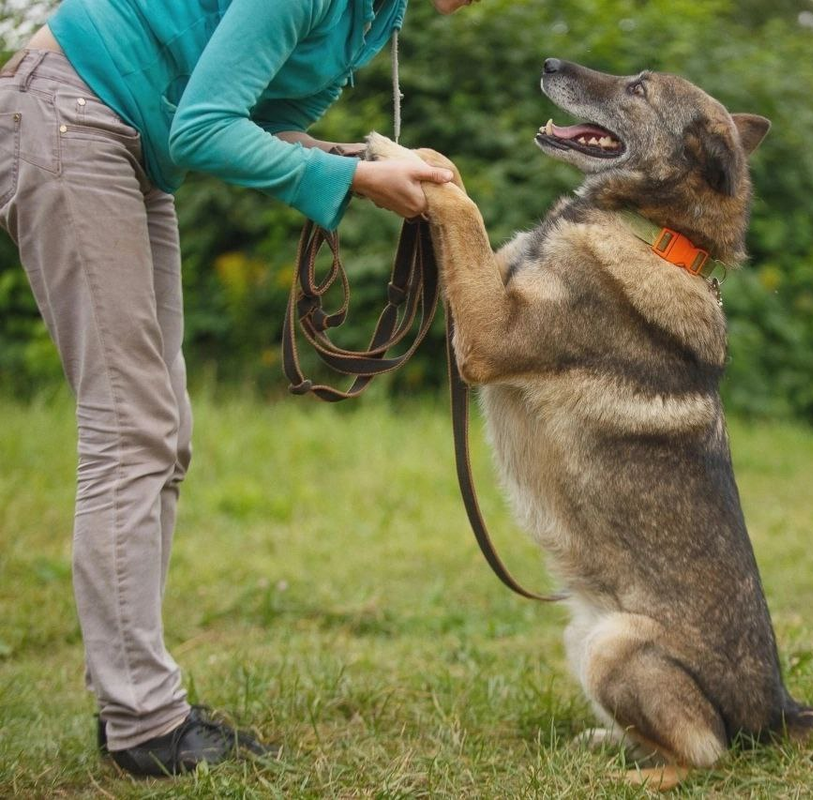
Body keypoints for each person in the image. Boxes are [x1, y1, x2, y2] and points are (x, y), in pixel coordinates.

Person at [0, 0, 472, 777]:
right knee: (131, 428)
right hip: (71, 113)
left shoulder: (376, 14)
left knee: (163, 433)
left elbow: (251, 123)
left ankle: (134, 705)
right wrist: (354, 175)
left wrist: (363, 159)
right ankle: (145, 724)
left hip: (130, 140)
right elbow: (204, 128)